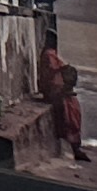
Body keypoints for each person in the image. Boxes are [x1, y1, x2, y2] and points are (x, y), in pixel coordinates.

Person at [38, 35, 84, 164]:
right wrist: (64, 69)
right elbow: (53, 72)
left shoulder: (51, 54)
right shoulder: (49, 55)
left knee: (73, 109)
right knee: (70, 110)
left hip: (56, 91)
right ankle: (75, 147)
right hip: (52, 92)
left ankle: (75, 146)